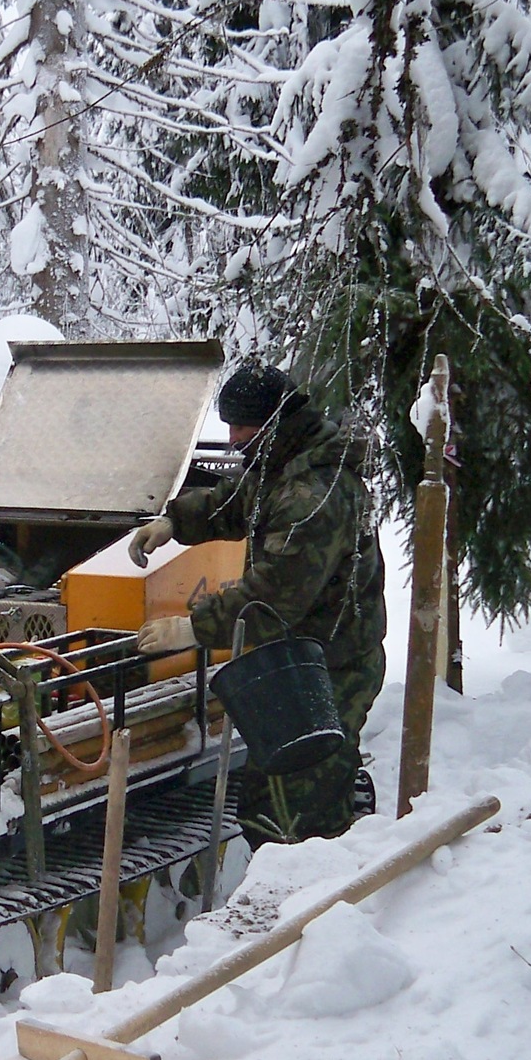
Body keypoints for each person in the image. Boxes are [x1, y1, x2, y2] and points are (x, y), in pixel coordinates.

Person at [128, 359, 386, 843]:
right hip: (298, 654)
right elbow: (236, 501)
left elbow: (274, 596)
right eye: (228, 426)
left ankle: (323, 879)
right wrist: (175, 523)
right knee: (273, 794)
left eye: (241, 427)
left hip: (332, 665)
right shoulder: (286, 463)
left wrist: (192, 629)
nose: (232, 439)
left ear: (274, 420)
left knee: (296, 808)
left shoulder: (313, 495)